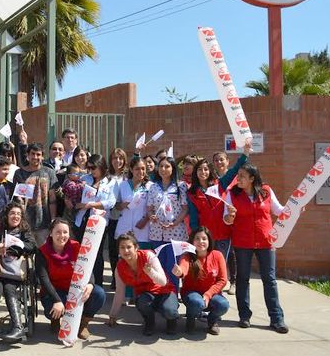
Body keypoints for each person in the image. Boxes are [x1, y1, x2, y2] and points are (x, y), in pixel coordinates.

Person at [223, 164, 289, 333]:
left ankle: (277, 319)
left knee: (270, 279)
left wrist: (294, 210)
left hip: (266, 242)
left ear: (252, 178)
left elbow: (279, 210)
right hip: (242, 242)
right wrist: (230, 216)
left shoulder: (266, 191)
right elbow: (227, 220)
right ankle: (244, 316)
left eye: (242, 176)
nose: (239, 179)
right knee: (243, 279)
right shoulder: (232, 194)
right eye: (238, 175)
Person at [36, 218, 106, 340]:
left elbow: (88, 268)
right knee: (52, 308)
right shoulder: (42, 252)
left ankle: (83, 324)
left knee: (99, 294)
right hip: (54, 291)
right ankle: (55, 320)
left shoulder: (77, 247)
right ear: (51, 233)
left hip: (75, 289)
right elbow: (44, 280)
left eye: (65, 232)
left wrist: (90, 284)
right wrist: (57, 300)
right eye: (58, 232)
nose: (62, 235)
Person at [0, 203, 36, 343]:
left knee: (10, 288)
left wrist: (17, 249)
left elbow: (32, 246)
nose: (15, 216)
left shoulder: (24, 230)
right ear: (6, 215)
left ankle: (17, 327)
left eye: (18, 214)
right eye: (12, 213)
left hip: (14, 270)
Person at [187, 140, 250, 264]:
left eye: (205, 169)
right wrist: (197, 236)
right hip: (205, 237)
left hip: (223, 236)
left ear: (210, 171)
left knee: (220, 266)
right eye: (200, 169)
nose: (203, 172)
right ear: (196, 173)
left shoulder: (220, 184)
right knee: (206, 266)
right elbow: (193, 219)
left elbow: (234, 170)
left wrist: (246, 153)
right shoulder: (192, 193)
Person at [107, 233, 177, 335]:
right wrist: (112, 315)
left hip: (165, 291)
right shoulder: (119, 268)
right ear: (118, 250)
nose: (126, 251)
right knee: (142, 302)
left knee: (169, 311)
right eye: (122, 247)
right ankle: (149, 322)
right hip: (145, 294)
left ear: (136, 248)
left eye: (129, 247)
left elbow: (163, 281)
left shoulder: (148, 256)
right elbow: (119, 292)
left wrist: (150, 272)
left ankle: (172, 320)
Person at [172, 226, 229, 335]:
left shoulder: (217, 255)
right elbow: (183, 268)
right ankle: (191, 319)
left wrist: (208, 294)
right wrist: (180, 272)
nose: (200, 241)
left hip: (212, 294)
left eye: (204, 238)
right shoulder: (187, 256)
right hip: (191, 294)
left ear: (209, 240)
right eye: (197, 238)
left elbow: (223, 280)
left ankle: (212, 322)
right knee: (197, 302)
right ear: (192, 241)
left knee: (223, 305)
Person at [74, 154, 116, 287]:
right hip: (82, 219)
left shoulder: (111, 182)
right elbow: (75, 196)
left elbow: (110, 202)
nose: (91, 170)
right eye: (89, 167)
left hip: (98, 222)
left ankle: (97, 284)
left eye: (93, 168)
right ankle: (82, 282)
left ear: (101, 167)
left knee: (96, 254)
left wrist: (90, 204)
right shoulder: (84, 178)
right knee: (82, 252)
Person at [147, 156, 188, 289]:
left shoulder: (180, 186)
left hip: (175, 232)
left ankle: (173, 294)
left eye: (167, 166)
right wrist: (151, 216)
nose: (163, 169)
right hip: (157, 232)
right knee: (158, 264)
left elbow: (185, 208)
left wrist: (175, 223)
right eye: (161, 166)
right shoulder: (153, 187)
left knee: (173, 264)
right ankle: (160, 293)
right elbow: (149, 207)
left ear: (173, 169)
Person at [12, 143, 58, 246]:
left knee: (44, 254)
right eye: (32, 154)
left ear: (42, 156)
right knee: (25, 256)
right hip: (25, 223)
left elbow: (52, 198)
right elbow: (17, 199)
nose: (35, 157)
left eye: (38, 154)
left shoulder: (49, 173)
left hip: (44, 223)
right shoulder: (19, 173)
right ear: (28, 155)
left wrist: (53, 219)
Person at [213, 149, 242, 295]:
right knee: (221, 253)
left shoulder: (235, 178)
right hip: (218, 221)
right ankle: (219, 281)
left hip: (233, 220)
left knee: (232, 253)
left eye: (221, 159)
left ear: (227, 161)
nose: (219, 163)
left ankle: (234, 282)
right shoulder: (212, 179)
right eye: (216, 160)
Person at [106, 148, 127, 287]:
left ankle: (126, 279)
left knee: (126, 249)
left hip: (126, 218)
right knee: (113, 250)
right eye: (114, 158)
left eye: (120, 158)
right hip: (113, 217)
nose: (117, 161)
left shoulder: (128, 176)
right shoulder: (106, 176)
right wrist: (115, 205)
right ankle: (115, 278)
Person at [61, 164, 84, 229]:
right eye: (76, 173)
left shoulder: (76, 181)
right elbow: (73, 189)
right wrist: (82, 185)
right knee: (70, 221)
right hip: (71, 207)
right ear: (69, 175)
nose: (78, 175)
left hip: (77, 205)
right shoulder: (68, 182)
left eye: (79, 173)